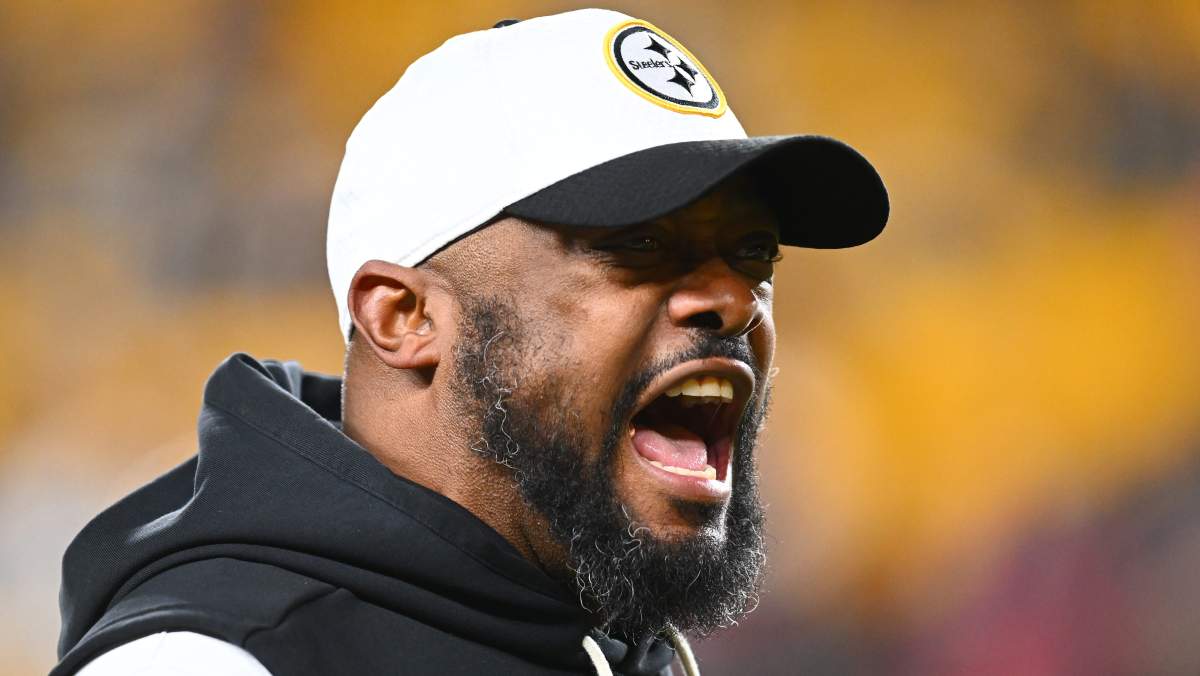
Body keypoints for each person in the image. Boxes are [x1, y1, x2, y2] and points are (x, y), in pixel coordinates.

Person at [51, 8, 887, 676]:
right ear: (403, 317)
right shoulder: (217, 661)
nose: (733, 300)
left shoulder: (606, 636)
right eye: (638, 245)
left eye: (753, 255)